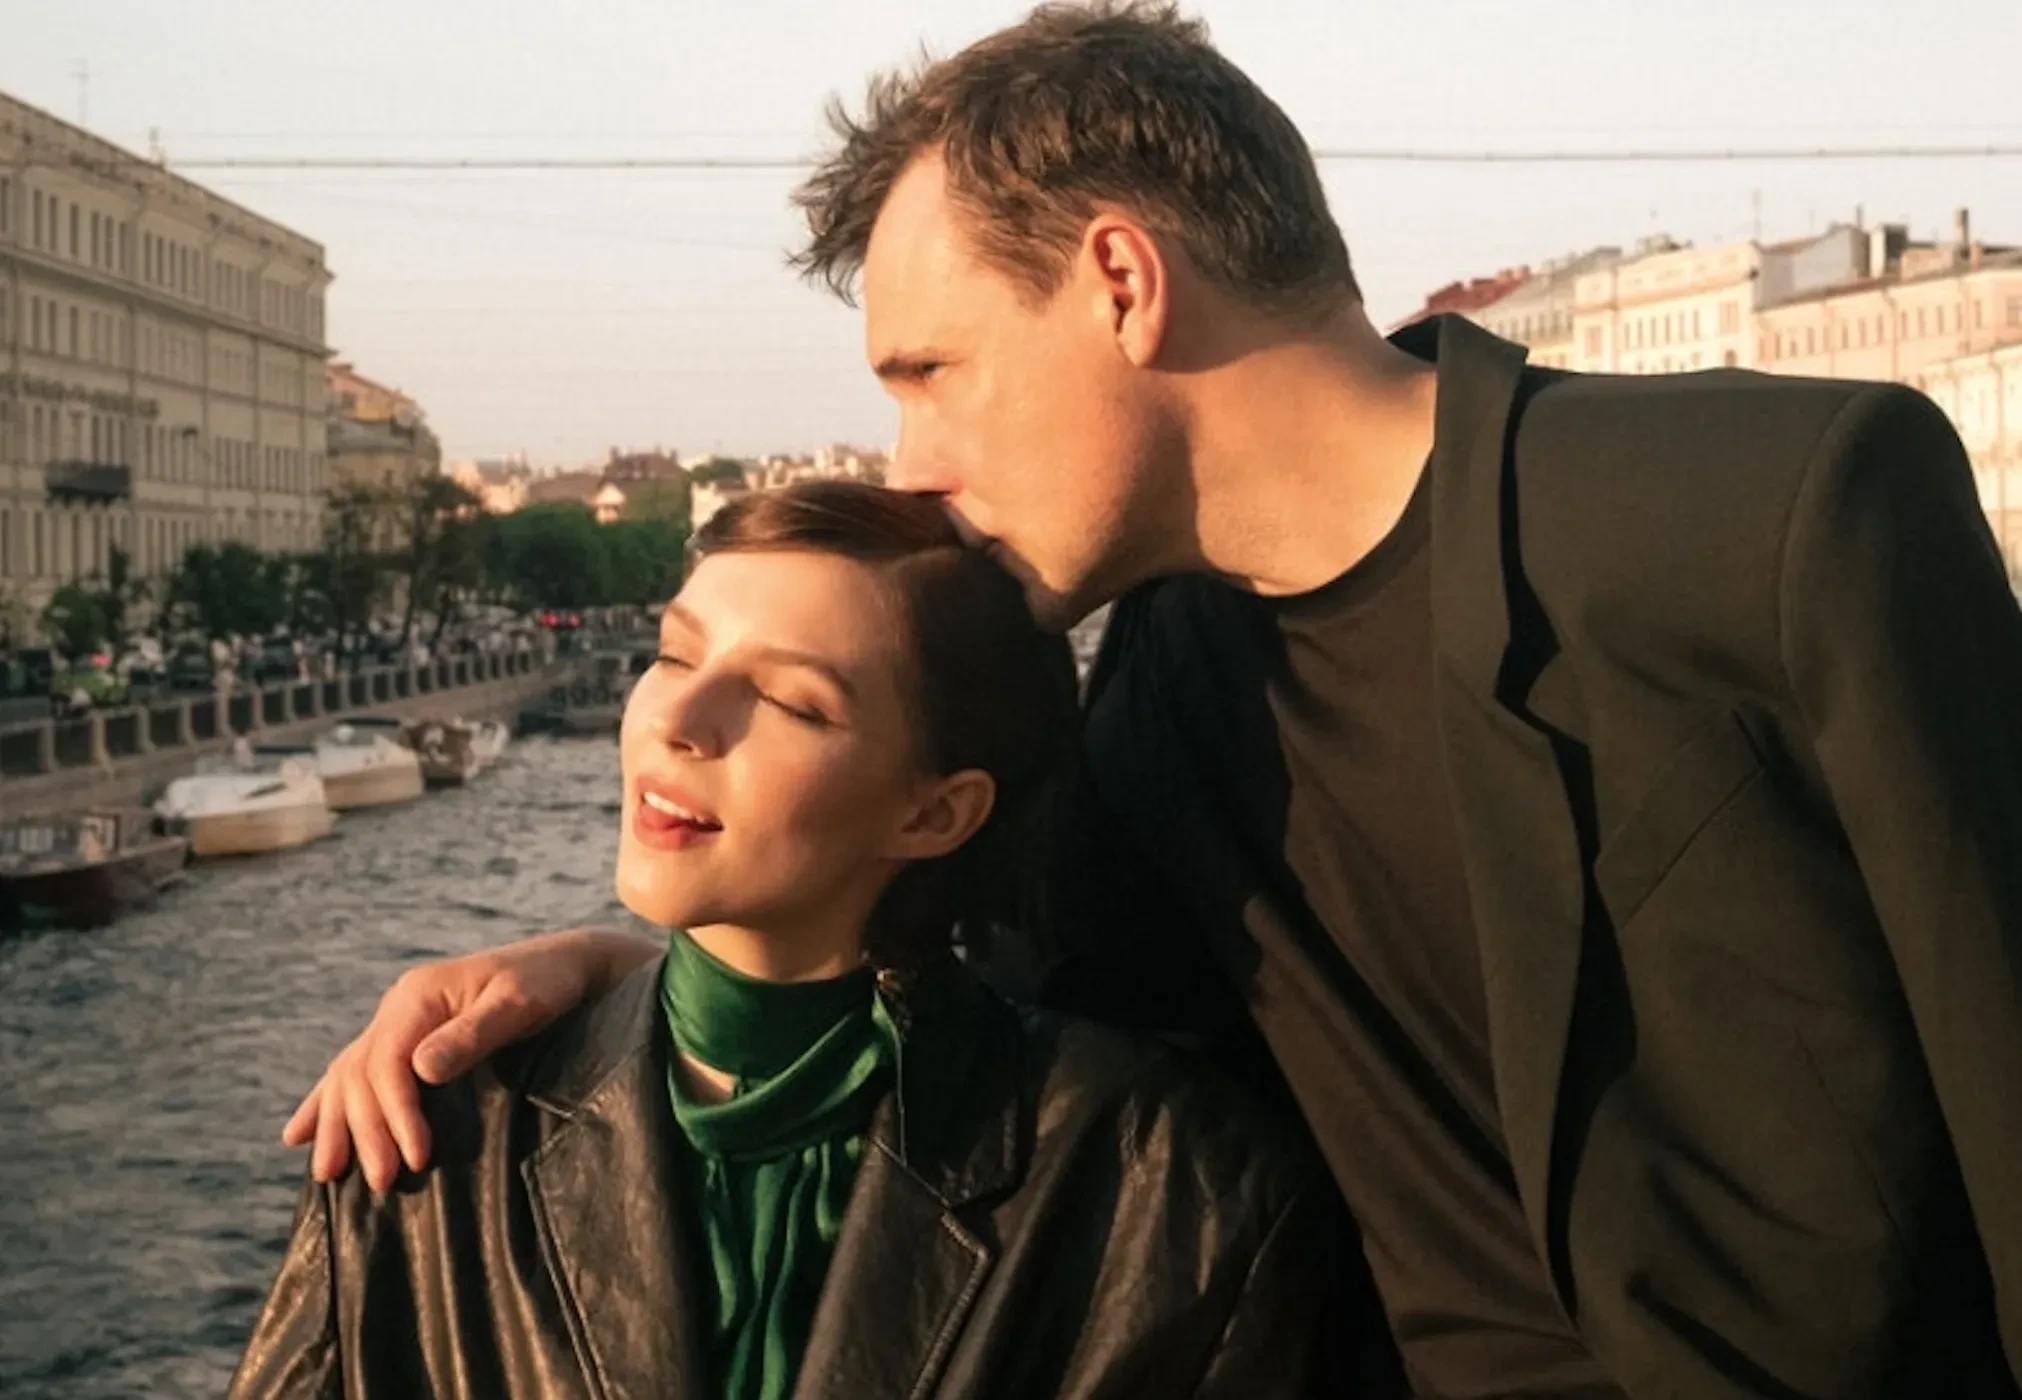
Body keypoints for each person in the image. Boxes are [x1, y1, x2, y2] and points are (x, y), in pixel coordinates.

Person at [287, 5, 2022, 1396]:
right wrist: (610, 980)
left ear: (1120, 281)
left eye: (930, 373)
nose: (912, 462)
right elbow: (965, 1010)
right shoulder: (1156, 683)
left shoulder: (1770, 510)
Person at [232, 482, 1373, 1400]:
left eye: (789, 702)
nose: (679, 722)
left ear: (935, 813)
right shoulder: (425, 1123)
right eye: (674, 655)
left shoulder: (1177, 1189)